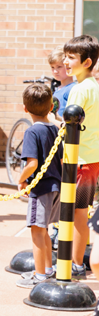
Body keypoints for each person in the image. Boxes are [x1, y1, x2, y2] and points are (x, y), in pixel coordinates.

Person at [14, 84, 62, 288]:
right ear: (52, 107)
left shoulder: (32, 132)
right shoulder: (56, 128)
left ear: (25, 109)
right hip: (56, 186)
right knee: (45, 230)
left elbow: (32, 163)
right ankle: (48, 268)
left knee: (36, 231)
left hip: (41, 189)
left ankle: (40, 274)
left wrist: (21, 180)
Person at [63, 35, 99, 279]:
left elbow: (69, 127)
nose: (66, 61)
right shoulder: (95, 87)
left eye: (71, 57)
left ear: (86, 62)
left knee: (77, 213)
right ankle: (79, 259)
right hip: (92, 158)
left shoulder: (78, 90)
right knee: (82, 211)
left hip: (80, 159)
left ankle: (75, 263)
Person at [49, 46, 75, 119]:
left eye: (59, 67)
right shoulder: (57, 89)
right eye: (52, 67)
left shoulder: (72, 89)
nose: (55, 71)